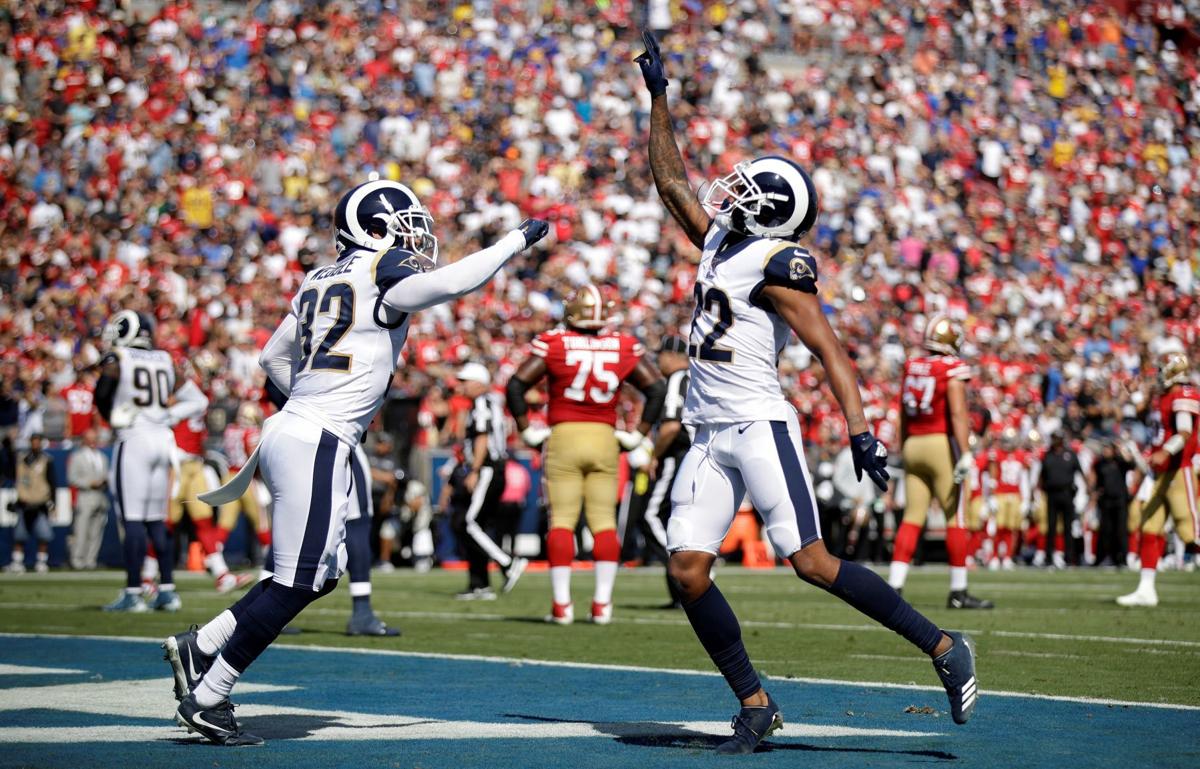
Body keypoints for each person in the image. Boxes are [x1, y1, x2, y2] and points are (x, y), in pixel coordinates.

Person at [635, 31, 977, 755]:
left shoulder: (774, 260)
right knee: (687, 570)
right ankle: (755, 703)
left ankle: (945, 645)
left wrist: (860, 427)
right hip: (707, 432)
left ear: (768, 214)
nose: (730, 191)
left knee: (812, 561)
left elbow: (827, 345)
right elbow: (670, 180)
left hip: (757, 424)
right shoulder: (721, 241)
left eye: (746, 190)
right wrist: (658, 98)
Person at [161, 176, 547, 746]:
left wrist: (306, 401)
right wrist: (514, 242)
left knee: (318, 573)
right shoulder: (379, 272)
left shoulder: (319, 277)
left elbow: (271, 355)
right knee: (299, 581)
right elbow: (451, 283)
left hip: (300, 429)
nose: (414, 239)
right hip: (317, 435)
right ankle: (211, 692)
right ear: (372, 227)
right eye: (405, 225)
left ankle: (205, 643)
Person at [506, 286, 666, 624]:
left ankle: (562, 606)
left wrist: (525, 429)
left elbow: (516, 385)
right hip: (604, 438)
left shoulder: (554, 342)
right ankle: (602, 605)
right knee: (604, 523)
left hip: (564, 435)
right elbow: (656, 388)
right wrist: (637, 434)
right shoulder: (622, 344)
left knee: (562, 521)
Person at [94, 311, 208, 611]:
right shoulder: (166, 360)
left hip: (134, 439)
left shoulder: (118, 358)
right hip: (163, 440)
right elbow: (199, 400)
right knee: (157, 519)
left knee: (132, 519)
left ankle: (134, 592)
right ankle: (167, 590)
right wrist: (167, 415)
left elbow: (102, 393)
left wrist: (113, 416)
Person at [887, 314, 994, 609]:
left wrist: (904, 443)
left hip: (913, 444)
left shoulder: (912, 365)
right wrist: (966, 451)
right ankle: (958, 591)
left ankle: (894, 586)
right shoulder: (951, 367)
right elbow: (959, 413)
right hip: (939, 444)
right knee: (955, 517)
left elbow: (903, 411)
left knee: (912, 517)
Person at [1118, 352, 1199, 606]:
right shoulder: (1162, 396)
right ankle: (1146, 589)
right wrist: (1134, 394)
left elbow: (1185, 432)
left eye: (1163, 368)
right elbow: (1148, 417)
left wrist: (1165, 450)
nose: (1158, 372)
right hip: (1160, 473)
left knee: (1191, 533)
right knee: (1150, 527)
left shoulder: (1183, 395)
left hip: (1178, 470)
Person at [450, 361, 527, 600]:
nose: (461, 386)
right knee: (472, 525)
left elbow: (482, 437)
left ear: (478, 382)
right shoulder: (489, 401)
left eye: (465, 381)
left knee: (468, 523)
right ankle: (479, 584)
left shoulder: (483, 402)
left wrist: (474, 469)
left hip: (487, 469)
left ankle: (508, 563)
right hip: (488, 469)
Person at [170, 379, 254, 593]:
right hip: (174, 465)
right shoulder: (166, 405)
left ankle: (221, 574)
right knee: (166, 523)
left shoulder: (196, 399)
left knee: (204, 520)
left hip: (196, 463)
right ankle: (147, 577)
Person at [628, 335, 691, 608]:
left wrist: (654, 455)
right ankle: (680, 591)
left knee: (650, 514)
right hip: (695, 457)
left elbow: (672, 427)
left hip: (679, 456)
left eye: (661, 355)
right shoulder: (696, 378)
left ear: (673, 355)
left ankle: (684, 567)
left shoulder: (678, 378)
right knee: (676, 519)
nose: (657, 361)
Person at [7, 433, 56, 573]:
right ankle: (17, 561)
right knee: (19, 535)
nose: (35, 444)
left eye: (37, 442)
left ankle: (41, 562)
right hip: (24, 502)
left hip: (40, 503)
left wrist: (53, 502)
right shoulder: (21, 459)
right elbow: (11, 470)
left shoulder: (46, 460)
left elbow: (52, 482)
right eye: (33, 442)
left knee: (44, 535)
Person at [988, 429, 1032, 570]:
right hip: (1000, 494)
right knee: (998, 528)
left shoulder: (1021, 455)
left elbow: (1024, 479)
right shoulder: (997, 454)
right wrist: (992, 496)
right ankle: (994, 556)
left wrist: (1026, 499)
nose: (1007, 444)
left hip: (1015, 495)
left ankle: (1007, 556)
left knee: (1012, 529)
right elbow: (992, 477)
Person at [67, 429, 109, 570]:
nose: (92, 441)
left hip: (100, 497)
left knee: (96, 532)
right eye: (90, 438)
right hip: (85, 496)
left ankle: (90, 560)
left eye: (94, 438)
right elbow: (72, 478)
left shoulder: (102, 456)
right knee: (81, 531)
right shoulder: (77, 456)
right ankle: (77, 560)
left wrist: (104, 481)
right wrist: (89, 482)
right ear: (84, 439)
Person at [1039, 432, 1082, 569]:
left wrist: (1087, 491)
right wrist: (1039, 491)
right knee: (1051, 527)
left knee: (1068, 527)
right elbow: (1042, 475)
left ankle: (1069, 558)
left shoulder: (1070, 454)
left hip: (1067, 493)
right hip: (1052, 494)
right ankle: (1048, 558)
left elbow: (1080, 472)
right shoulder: (1048, 455)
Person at [1091, 441, 1134, 567]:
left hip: (1120, 501)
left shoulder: (1120, 462)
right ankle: (1102, 558)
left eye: (1108, 449)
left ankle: (1122, 559)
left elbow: (1131, 464)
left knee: (1120, 531)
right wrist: (1096, 494)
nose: (1106, 451)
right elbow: (1098, 482)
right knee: (1105, 531)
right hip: (1105, 501)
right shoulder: (1100, 464)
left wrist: (1121, 449)